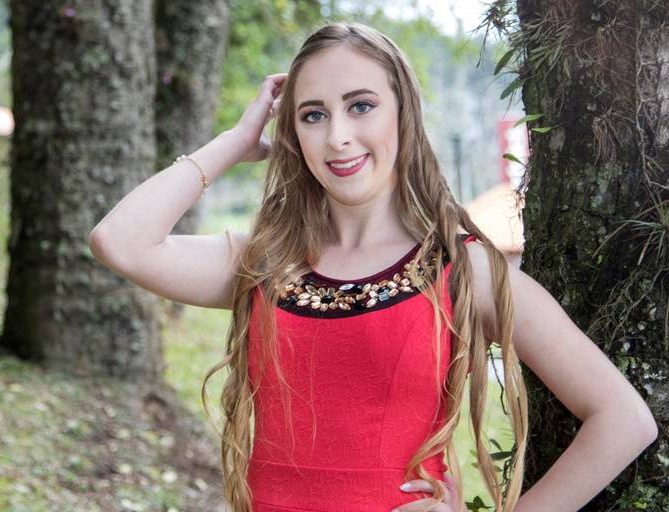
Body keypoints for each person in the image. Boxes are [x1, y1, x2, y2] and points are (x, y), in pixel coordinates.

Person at [89, 22, 658, 512]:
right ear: (293, 133)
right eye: (313, 115)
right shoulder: (264, 262)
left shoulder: (464, 269)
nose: (338, 137)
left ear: (402, 112)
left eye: (361, 105)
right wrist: (236, 142)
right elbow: (120, 242)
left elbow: (622, 419)